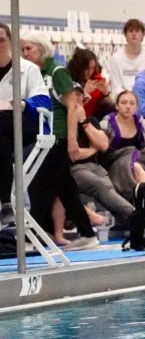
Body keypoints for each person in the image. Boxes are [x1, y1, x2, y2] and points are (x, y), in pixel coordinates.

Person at [20, 30, 98, 249]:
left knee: (40, 186)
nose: (25, 53)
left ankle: (28, 239)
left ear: (42, 49)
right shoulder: (34, 73)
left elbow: (72, 106)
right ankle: (87, 233)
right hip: (44, 137)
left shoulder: (57, 71)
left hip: (57, 138)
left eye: (29, 49)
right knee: (65, 187)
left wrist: (72, 140)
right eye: (23, 49)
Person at [0, 21, 51, 227]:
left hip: (27, 125)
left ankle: (4, 203)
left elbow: (43, 101)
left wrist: (19, 103)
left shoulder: (28, 69)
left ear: (10, 42)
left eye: (1, 40)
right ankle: (5, 205)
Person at [70, 87, 135, 231]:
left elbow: (104, 145)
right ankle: (136, 215)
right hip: (73, 168)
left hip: (94, 166)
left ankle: (128, 223)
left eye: (79, 97)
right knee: (99, 184)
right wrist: (92, 149)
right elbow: (74, 153)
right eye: (73, 98)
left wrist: (84, 122)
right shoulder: (64, 123)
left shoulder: (90, 121)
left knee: (108, 186)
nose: (76, 101)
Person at [100, 90, 145, 197]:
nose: (128, 106)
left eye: (132, 103)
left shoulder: (144, 126)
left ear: (136, 107)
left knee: (135, 165)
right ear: (116, 106)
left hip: (139, 164)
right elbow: (102, 154)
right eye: (124, 103)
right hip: (115, 167)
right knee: (132, 164)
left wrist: (135, 157)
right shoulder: (105, 126)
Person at [107, 18, 145, 99]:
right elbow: (116, 87)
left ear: (143, 35)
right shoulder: (116, 58)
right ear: (125, 35)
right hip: (123, 100)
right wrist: (129, 98)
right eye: (130, 31)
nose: (134, 34)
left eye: (137, 31)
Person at [67, 48, 113, 120]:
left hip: (94, 119)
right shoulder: (69, 79)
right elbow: (72, 108)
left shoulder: (96, 78)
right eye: (86, 68)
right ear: (78, 67)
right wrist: (85, 92)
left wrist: (105, 93)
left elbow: (111, 107)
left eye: (92, 68)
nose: (89, 72)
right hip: (76, 119)